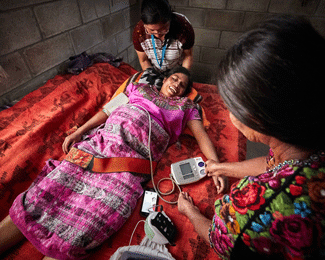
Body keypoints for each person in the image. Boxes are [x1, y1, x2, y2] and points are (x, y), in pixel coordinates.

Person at [0, 67, 220, 260]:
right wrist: (79, 131)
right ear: (164, 79)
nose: (176, 85)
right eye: (174, 79)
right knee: (42, 196)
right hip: (99, 146)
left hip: (130, 165)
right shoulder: (139, 89)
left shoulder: (186, 107)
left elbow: (202, 137)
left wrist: (216, 166)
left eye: (182, 85)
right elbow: (107, 110)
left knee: (87, 223)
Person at [178, 15, 325, 259]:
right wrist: (220, 167)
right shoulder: (303, 139)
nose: (228, 113)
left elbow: (219, 241)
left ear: (258, 118)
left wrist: (189, 212)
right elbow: (274, 165)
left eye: (231, 106)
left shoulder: (253, 205)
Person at [132, 0, 194, 87]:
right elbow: (144, 60)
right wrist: (155, 81)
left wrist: (180, 78)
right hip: (154, 70)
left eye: (163, 29)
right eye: (152, 30)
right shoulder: (139, 31)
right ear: (144, 25)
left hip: (177, 71)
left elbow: (188, 56)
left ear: (169, 20)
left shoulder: (184, 28)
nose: (157, 34)